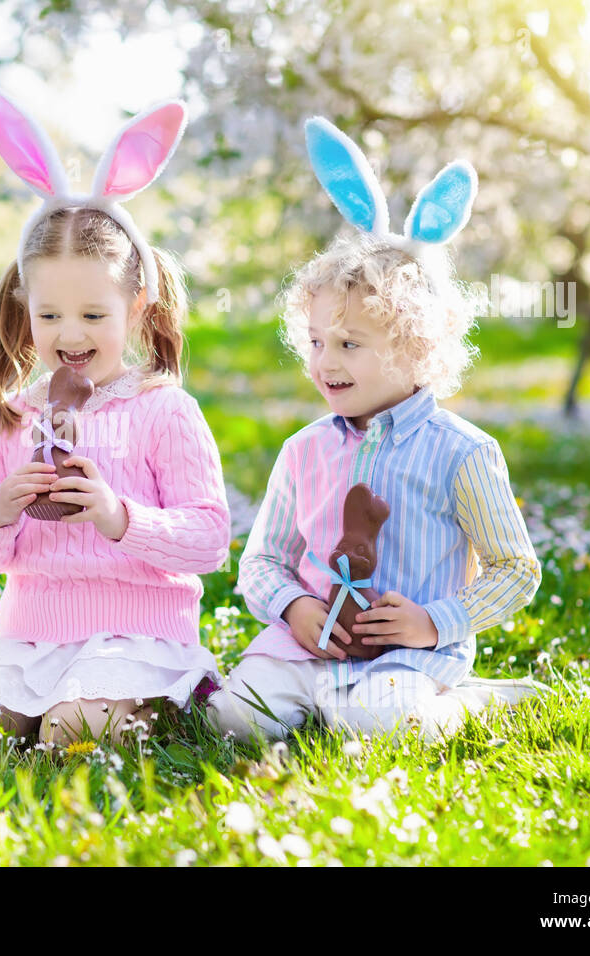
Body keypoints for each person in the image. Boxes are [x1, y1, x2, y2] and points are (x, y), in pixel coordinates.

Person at [208, 117, 544, 744]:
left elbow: (514, 569)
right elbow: (262, 560)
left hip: (405, 655)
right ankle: (314, 700)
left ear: (417, 347)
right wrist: (292, 607)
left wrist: (435, 622)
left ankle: (475, 703)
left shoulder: (462, 452)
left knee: (377, 724)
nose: (325, 362)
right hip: (307, 644)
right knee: (237, 718)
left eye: (349, 344)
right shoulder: (303, 450)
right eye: (315, 342)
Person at [0, 81, 230, 748]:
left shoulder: (163, 410)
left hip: (137, 636)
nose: (70, 333)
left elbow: (209, 538)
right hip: (30, 634)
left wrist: (118, 517)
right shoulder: (9, 417)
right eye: (50, 314)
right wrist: (0, 507)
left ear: (139, 305)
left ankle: (163, 704)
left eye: (93, 315)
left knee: (74, 733)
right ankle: (39, 707)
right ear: (24, 304)